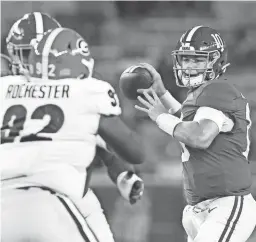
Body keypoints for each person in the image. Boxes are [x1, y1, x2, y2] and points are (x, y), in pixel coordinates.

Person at [1, 25, 147, 242]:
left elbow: (106, 150)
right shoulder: (87, 90)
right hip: (52, 198)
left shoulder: (5, 87)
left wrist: (123, 176)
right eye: (20, 52)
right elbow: (133, 151)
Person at [134, 26, 256, 242]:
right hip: (200, 208)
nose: (189, 66)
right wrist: (162, 93)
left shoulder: (218, 89)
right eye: (186, 59)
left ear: (215, 60)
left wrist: (161, 117)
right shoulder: (201, 94)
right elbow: (187, 122)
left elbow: (200, 136)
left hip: (225, 205)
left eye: (197, 60)